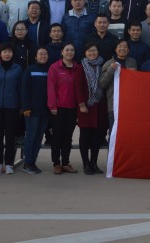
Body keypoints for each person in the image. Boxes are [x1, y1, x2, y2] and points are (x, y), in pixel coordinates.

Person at [47, 43, 84, 174]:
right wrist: (52, 106)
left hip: (72, 108)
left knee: (68, 136)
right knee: (57, 136)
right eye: (67, 50)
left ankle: (66, 162)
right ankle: (56, 163)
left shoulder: (77, 67)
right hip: (58, 108)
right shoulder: (54, 67)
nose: (69, 52)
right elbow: (51, 88)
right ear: (62, 52)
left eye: (72, 50)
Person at [0, 42, 23, 175]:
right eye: (4, 52)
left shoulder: (17, 68)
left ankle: (8, 164)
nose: (7, 54)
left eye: (9, 52)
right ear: (0, 54)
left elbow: (20, 88)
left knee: (10, 137)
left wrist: (20, 106)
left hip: (12, 107)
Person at [78, 42, 106, 174]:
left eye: (94, 50)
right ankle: (86, 164)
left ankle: (94, 162)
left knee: (97, 137)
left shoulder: (102, 66)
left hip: (99, 106)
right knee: (84, 136)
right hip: (86, 107)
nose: (92, 53)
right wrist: (82, 104)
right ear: (85, 53)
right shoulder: (81, 67)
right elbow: (78, 88)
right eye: (89, 51)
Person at [99, 39, 138, 133]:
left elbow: (137, 84)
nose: (122, 49)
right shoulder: (108, 63)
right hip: (113, 104)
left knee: (128, 132)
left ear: (128, 50)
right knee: (114, 131)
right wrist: (111, 70)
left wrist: (135, 74)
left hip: (129, 104)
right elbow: (102, 84)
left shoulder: (132, 62)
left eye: (125, 47)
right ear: (116, 49)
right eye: (120, 46)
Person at [21, 48, 50, 174]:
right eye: (40, 54)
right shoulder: (30, 70)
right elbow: (24, 89)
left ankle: (33, 161)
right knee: (31, 137)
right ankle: (27, 162)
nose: (43, 56)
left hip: (45, 110)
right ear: (35, 56)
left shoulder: (50, 69)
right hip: (32, 111)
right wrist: (26, 107)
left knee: (39, 137)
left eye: (45, 54)